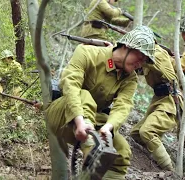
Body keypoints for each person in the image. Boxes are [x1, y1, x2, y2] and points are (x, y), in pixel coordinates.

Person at [45, 26, 156, 179]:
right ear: (127, 47)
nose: (140, 63)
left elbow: (123, 105)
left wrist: (108, 128)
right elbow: (70, 85)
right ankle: (90, 148)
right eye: (141, 56)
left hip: (93, 122)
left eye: (145, 61)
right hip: (62, 116)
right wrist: (80, 121)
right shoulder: (87, 53)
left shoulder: (130, 79)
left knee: (121, 151)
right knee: (84, 95)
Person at [130, 28, 183, 171]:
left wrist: (145, 60)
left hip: (171, 99)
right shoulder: (145, 56)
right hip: (158, 99)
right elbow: (137, 70)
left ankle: (170, 171)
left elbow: (171, 77)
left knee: (146, 132)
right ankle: (155, 160)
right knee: (136, 134)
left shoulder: (157, 53)